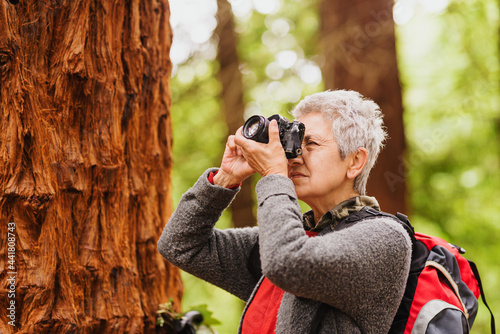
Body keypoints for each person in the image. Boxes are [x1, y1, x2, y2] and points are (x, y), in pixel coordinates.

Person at [158, 90, 412, 333]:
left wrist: (274, 176)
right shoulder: (292, 236)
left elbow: (286, 262)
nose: (295, 157)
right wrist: (226, 177)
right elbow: (181, 244)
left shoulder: (386, 238)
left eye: (310, 143)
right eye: (293, 143)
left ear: (355, 161)